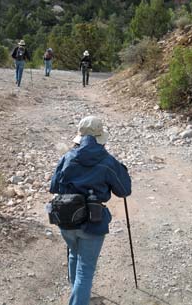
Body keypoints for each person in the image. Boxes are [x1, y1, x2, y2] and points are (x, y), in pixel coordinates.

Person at [50, 115, 132, 305]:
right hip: (93, 222)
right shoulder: (107, 161)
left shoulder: (67, 157)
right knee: (85, 271)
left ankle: (77, 293)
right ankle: (79, 297)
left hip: (67, 219)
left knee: (74, 255)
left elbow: (54, 187)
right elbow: (124, 190)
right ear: (99, 137)